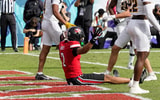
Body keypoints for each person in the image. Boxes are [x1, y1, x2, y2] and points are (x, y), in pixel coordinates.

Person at [104, 0, 160, 94]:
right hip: (140, 23)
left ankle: (135, 80)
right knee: (142, 56)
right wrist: (159, 28)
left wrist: (112, 16)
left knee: (140, 54)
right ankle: (135, 86)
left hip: (131, 22)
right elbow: (148, 14)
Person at [59, 26, 131, 85]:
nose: (81, 39)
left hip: (71, 78)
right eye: (80, 37)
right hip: (78, 78)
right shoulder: (72, 45)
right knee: (107, 78)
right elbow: (83, 50)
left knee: (99, 76)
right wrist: (93, 39)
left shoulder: (63, 45)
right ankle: (132, 80)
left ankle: (117, 78)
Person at [35, 0, 75, 80]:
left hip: (46, 22)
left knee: (45, 49)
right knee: (64, 46)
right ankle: (71, 72)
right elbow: (55, 11)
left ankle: (39, 72)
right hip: (51, 23)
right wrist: (65, 23)